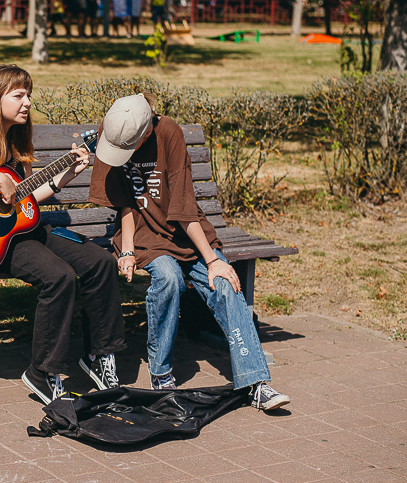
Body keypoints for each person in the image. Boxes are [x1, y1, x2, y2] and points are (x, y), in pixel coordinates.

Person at [0, 65, 128, 404]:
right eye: (19, 95)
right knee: (59, 277)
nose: (27, 102)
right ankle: (43, 372)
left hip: (20, 229)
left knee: (99, 261)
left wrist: (65, 176)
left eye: (29, 95)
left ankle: (101, 356)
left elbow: (24, 199)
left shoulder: (18, 145)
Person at [88, 94, 291, 411]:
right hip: (143, 235)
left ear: (146, 132)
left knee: (225, 284)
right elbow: (125, 203)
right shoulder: (115, 128)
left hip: (185, 230)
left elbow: (184, 208)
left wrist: (212, 261)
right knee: (169, 279)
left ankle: (255, 383)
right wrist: (126, 250)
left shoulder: (169, 133)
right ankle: (161, 374)